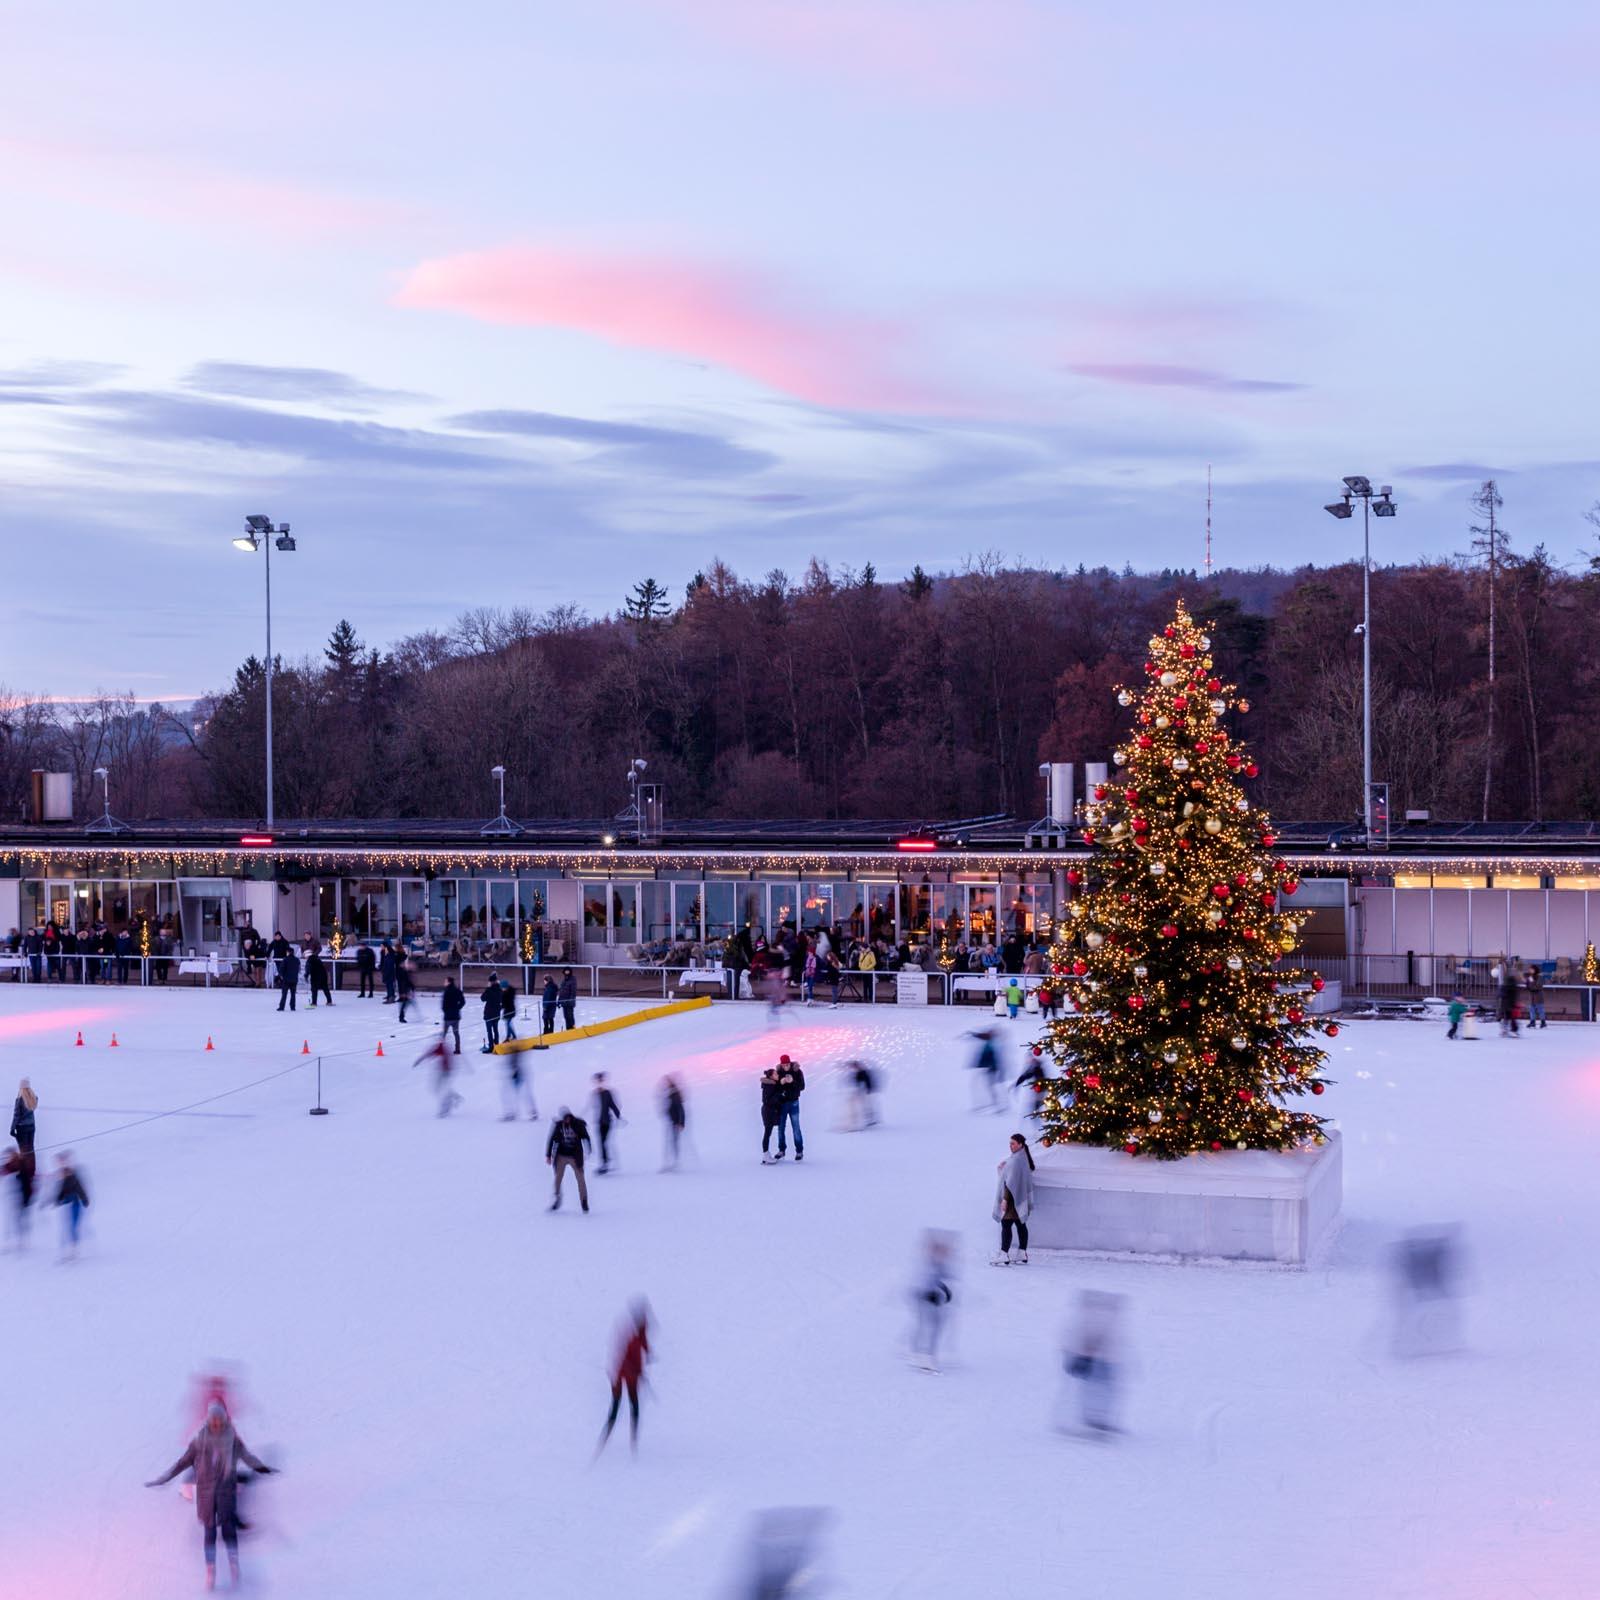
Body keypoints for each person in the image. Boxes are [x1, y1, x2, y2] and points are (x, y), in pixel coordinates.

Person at [146, 1401, 276, 1589]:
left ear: (223, 1420)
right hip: (206, 1495)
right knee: (210, 1531)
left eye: (219, 1419)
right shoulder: (200, 1441)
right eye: (213, 1419)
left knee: (228, 1528)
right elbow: (182, 1462)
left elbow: (247, 1456)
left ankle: (233, 1563)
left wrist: (261, 1467)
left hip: (226, 1492)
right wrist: (165, 1478)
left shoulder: (232, 1439)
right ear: (209, 1420)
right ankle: (210, 1568)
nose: (216, 1422)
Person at [1062, 1290, 1124, 1435]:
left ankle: (1097, 1419)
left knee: (1103, 1389)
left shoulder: (1103, 1317)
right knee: (1096, 1389)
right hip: (1092, 1359)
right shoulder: (1089, 1318)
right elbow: (1080, 1337)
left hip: (1105, 1359)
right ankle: (1090, 1419)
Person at [596, 1301, 651, 1456]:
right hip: (619, 1373)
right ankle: (606, 1437)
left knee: (634, 1405)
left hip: (631, 1373)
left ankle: (633, 1440)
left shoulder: (641, 1328)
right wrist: (637, 1372)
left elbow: (643, 1340)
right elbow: (622, 1359)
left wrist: (648, 1352)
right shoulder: (627, 1334)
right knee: (617, 1405)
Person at [909, 1230, 955, 1372]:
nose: (945, 1254)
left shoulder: (939, 1264)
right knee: (928, 1325)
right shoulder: (929, 1264)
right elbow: (925, 1281)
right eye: (942, 1251)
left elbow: (941, 1279)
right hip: (924, 1298)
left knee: (934, 1326)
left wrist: (946, 1292)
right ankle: (923, 1355)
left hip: (930, 1299)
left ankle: (924, 1354)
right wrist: (930, 1293)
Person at [992, 1132, 1034, 1264]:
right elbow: (1011, 1176)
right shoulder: (1021, 1157)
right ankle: (1022, 1253)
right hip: (1019, 1196)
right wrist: (1003, 1168)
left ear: (1020, 1145)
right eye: (1010, 1143)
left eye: (1013, 1143)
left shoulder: (1016, 1160)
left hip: (1012, 1198)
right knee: (1020, 1224)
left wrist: (1005, 1199)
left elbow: (1010, 1183)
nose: (1010, 1146)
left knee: (1006, 1224)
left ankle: (1004, 1254)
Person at [546, 1106, 591, 1211]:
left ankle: (584, 1201)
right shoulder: (558, 1126)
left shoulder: (578, 1124)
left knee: (581, 1179)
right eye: (565, 1118)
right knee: (557, 1179)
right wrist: (548, 1155)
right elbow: (551, 1140)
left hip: (575, 1157)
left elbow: (586, 1136)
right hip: (561, 1156)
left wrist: (589, 1148)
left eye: (569, 1117)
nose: (567, 1119)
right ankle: (557, 1199)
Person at [53, 1152, 89, 1259]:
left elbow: (79, 1188)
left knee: (73, 1226)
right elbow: (61, 1191)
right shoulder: (63, 1178)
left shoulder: (73, 1176)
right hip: (68, 1205)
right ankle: (69, 1250)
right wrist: (58, 1199)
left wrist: (84, 1199)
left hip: (75, 1204)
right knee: (67, 1227)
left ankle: (75, 1249)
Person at [775, 1054, 804, 1161]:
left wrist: (793, 1081)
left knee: (796, 1127)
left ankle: (799, 1151)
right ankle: (781, 1150)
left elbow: (802, 1086)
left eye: (787, 1064)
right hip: (782, 1104)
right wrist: (780, 1083)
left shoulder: (797, 1071)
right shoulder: (778, 1072)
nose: (786, 1066)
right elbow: (775, 1088)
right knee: (780, 1128)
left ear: (790, 1063)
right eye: (784, 1065)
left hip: (794, 1102)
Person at [592, 1072, 623, 1173]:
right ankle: (605, 1163)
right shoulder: (595, 1093)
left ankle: (606, 1162)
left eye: (600, 1080)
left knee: (604, 1142)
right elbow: (592, 1107)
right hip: (599, 1121)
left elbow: (612, 1105)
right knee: (601, 1142)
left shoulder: (607, 1093)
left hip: (606, 1121)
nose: (599, 1083)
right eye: (597, 1081)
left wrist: (618, 1116)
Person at [968, 1029, 1001, 1111]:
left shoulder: (990, 1045)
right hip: (987, 1068)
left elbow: (992, 1059)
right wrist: (972, 1033)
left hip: (990, 1068)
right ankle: (992, 1103)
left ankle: (992, 1103)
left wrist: (989, 1067)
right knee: (987, 1085)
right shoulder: (989, 1042)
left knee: (986, 1086)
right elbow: (981, 1035)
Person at [660, 1076, 686, 1170]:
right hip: (672, 1122)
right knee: (672, 1142)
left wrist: (681, 1123)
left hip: (675, 1123)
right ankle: (672, 1162)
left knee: (674, 1142)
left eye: (667, 1083)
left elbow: (681, 1109)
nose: (665, 1085)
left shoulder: (675, 1094)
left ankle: (675, 1162)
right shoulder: (671, 1094)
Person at [759, 1067, 784, 1163]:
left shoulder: (772, 1084)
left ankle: (766, 1155)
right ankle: (765, 1155)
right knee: (767, 1133)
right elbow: (767, 1100)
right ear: (771, 1076)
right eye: (776, 1074)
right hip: (768, 1112)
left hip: (770, 1111)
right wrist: (779, 1095)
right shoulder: (769, 1086)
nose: (778, 1075)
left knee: (767, 1133)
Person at [847, 1059, 879, 1130]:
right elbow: (857, 1083)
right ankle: (870, 1119)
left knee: (867, 1105)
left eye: (854, 1066)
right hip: (864, 1091)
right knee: (865, 1106)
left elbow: (867, 1082)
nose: (853, 1068)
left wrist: (868, 1090)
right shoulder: (859, 1073)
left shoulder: (863, 1072)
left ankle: (871, 1119)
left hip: (867, 1092)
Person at [440, 977, 465, 1054]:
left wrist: (445, 1011)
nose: (444, 982)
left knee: (444, 1033)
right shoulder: (458, 991)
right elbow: (463, 1002)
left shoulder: (446, 991)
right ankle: (458, 1049)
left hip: (448, 1017)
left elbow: (443, 1005)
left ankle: (441, 1049)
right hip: (456, 1016)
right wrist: (458, 1008)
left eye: (445, 981)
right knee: (456, 1033)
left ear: (449, 982)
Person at [480, 974, 503, 1053]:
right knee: (495, 1030)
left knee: (489, 1031)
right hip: (496, 1013)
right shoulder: (500, 989)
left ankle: (491, 1047)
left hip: (489, 1013)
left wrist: (488, 988)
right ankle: (496, 1044)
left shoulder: (489, 990)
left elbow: (482, 998)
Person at [1497, 962, 1520, 1037]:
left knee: (1509, 1018)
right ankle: (1510, 1030)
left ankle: (1508, 1030)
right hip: (1509, 1003)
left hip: (1508, 1003)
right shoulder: (1510, 983)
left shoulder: (1507, 983)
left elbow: (1503, 993)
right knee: (1510, 1018)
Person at [275, 945, 300, 1012]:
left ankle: (281, 1007)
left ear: (288, 952)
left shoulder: (285, 959)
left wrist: (281, 976)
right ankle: (293, 1007)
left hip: (286, 980)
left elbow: (281, 969)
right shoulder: (297, 960)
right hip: (294, 980)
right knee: (293, 994)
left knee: (284, 994)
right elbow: (298, 969)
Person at [395, 953, 416, 1023]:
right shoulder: (401, 972)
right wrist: (403, 992)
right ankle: (401, 1017)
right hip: (404, 990)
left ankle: (401, 1017)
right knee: (405, 1004)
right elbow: (402, 982)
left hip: (406, 990)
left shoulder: (404, 971)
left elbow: (408, 981)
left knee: (406, 1003)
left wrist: (412, 989)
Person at [380, 939, 399, 1004]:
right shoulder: (385, 952)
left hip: (389, 971)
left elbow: (389, 963)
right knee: (388, 984)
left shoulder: (389, 954)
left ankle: (391, 998)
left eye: (382, 946)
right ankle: (390, 996)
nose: (381, 947)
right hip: (387, 971)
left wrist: (385, 971)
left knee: (390, 984)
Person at [500, 978, 519, 1042]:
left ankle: (508, 1037)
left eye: (502, 987)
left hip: (510, 1011)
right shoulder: (507, 992)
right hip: (509, 1010)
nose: (502, 989)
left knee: (508, 1024)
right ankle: (513, 1035)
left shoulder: (507, 994)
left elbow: (506, 1003)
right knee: (508, 1023)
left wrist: (501, 1006)